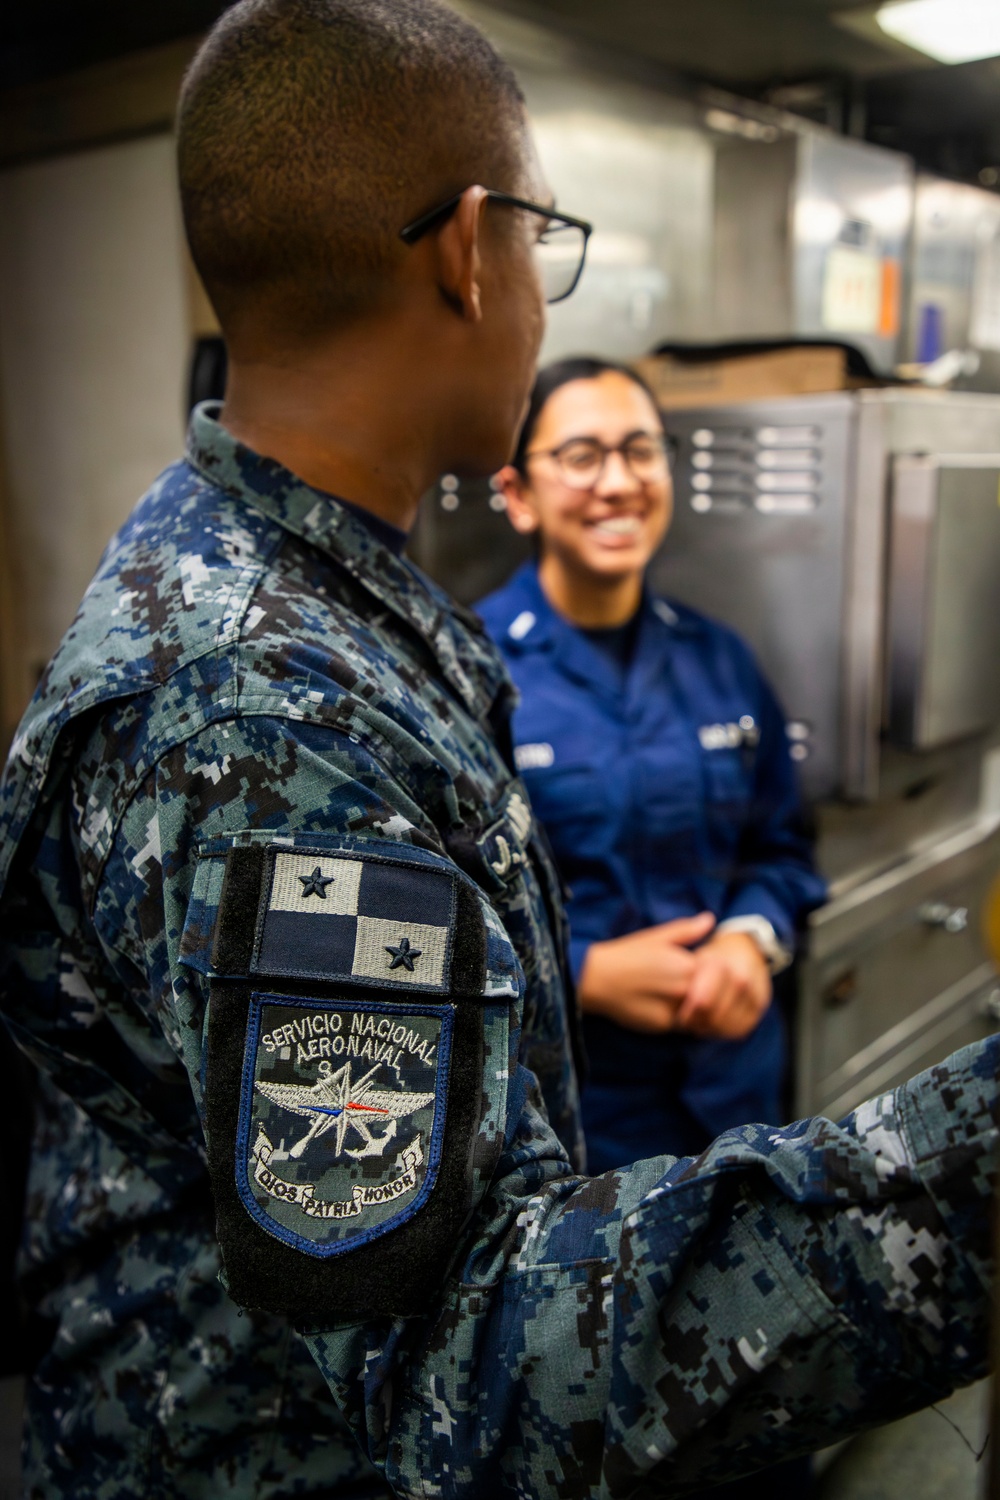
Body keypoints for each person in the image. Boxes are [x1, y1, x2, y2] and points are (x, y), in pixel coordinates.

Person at [0, 4, 996, 1498]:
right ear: (471, 248)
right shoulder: (269, 710)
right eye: (545, 242)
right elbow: (468, 1363)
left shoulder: (326, 606)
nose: (542, 295)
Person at [478, 357, 827, 1176]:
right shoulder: (475, 674)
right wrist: (581, 973)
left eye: (640, 449)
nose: (618, 480)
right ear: (519, 494)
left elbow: (782, 847)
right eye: (582, 455)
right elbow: (440, 913)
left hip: (734, 1096)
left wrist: (751, 939)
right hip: (574, 1119)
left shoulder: (718, 659)